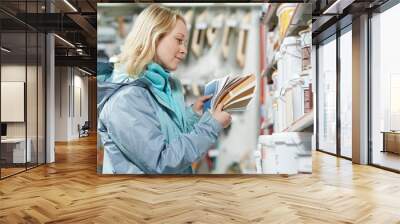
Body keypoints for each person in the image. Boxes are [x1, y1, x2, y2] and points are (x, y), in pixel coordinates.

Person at [98, 4, 231, 174]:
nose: (184, 50)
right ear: (154, 36)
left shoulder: (161, 87)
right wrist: (212, 126)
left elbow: (171, 140)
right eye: (179, 40)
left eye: (185, 42)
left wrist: (193, 115)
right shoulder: (126, 100)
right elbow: (162, 162)